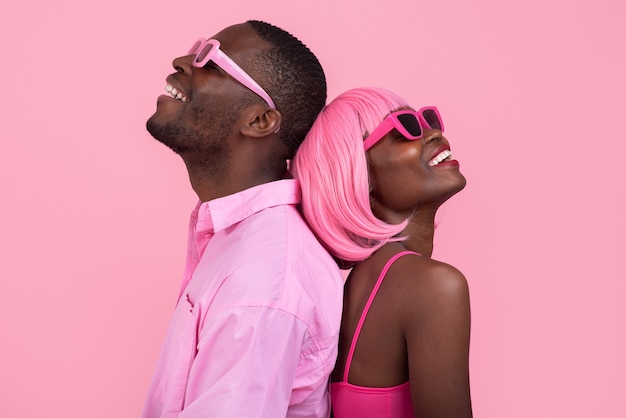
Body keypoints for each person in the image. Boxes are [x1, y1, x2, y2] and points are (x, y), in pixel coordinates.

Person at [142, 20, 344, 418]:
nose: (183, 61)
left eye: (210, 61)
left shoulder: (263, 280)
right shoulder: (242, 240)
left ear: (259, 121)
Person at [291, 87, 473, 417]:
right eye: (405, 127)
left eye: (425, 120)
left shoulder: (357, 287)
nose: (433, 133)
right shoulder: (433, 287)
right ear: (361, 175)